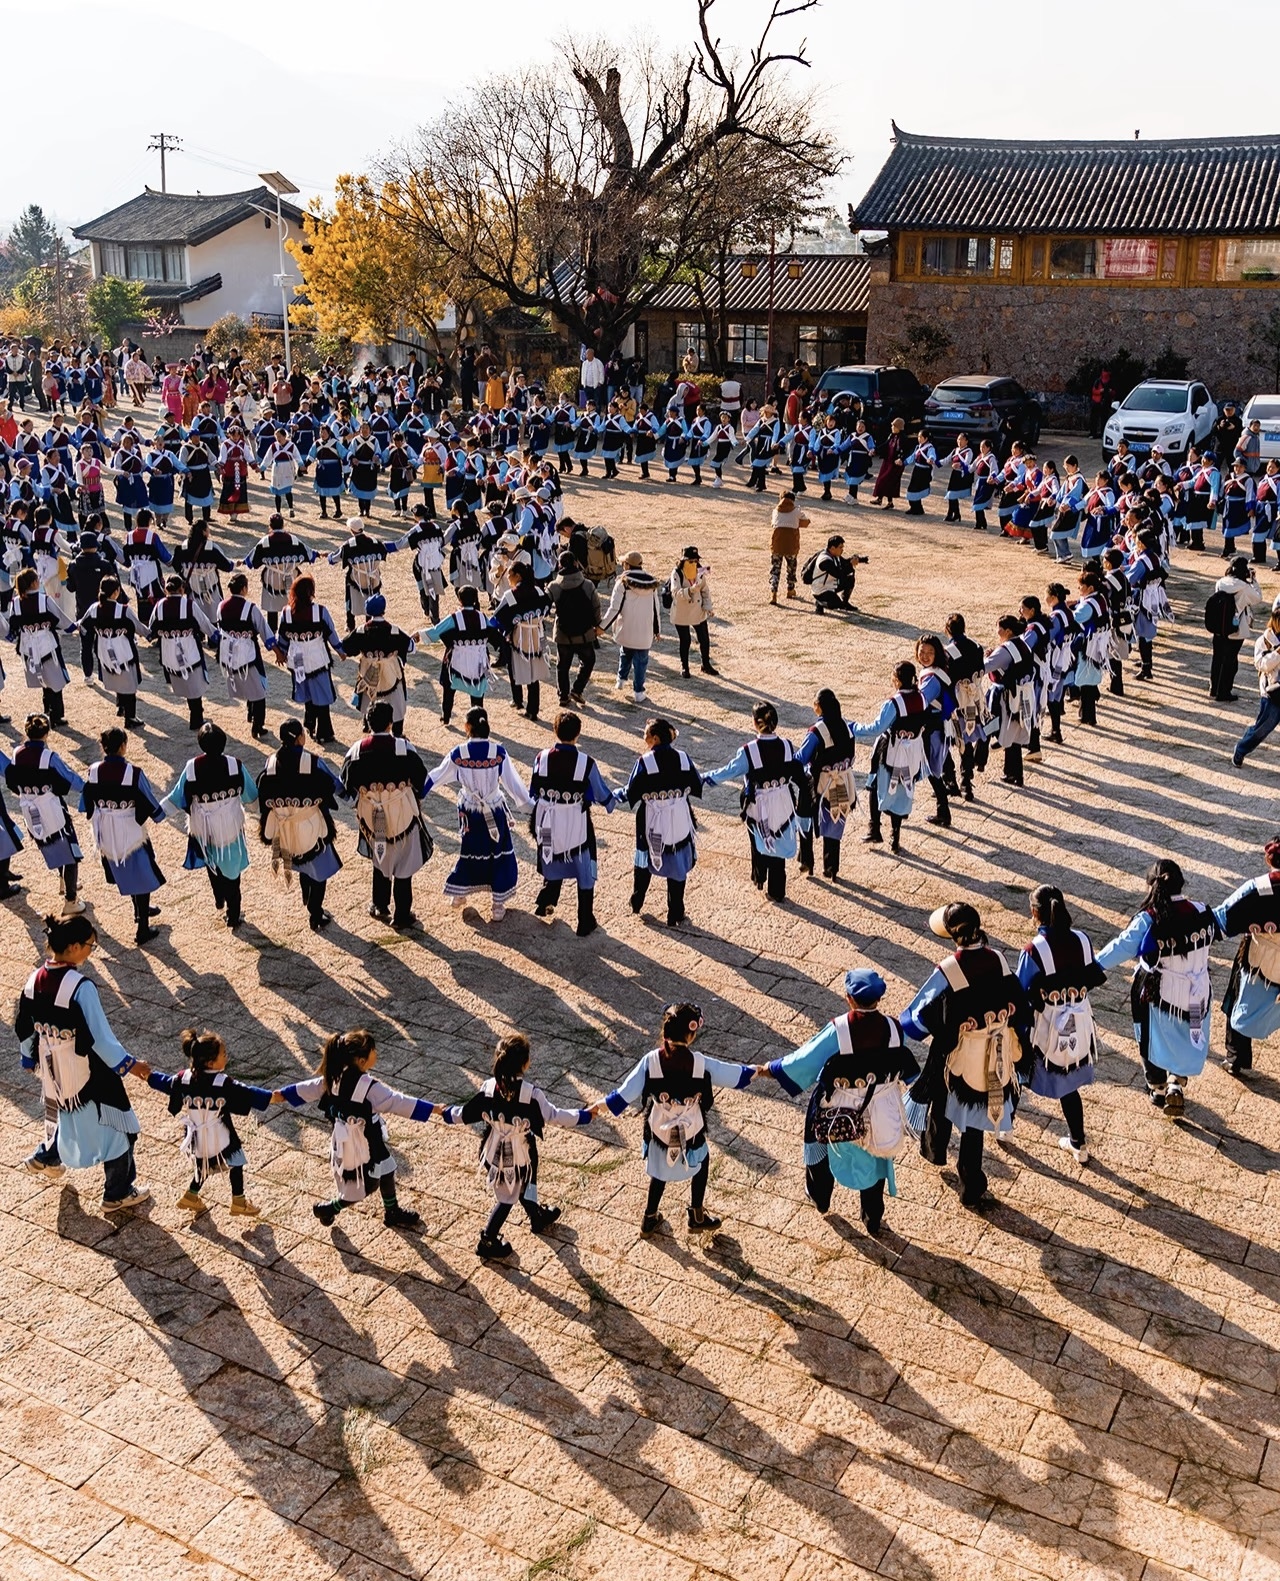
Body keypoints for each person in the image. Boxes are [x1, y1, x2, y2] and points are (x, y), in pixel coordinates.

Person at [762, 968, 918, 1234]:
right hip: (881, 1108)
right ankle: (872, 1217)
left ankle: (820, 1198)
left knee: (820, 1147)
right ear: (879, 999)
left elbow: (804, 1060)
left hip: (838, 1110)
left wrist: (772, 1068)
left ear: (849, 998)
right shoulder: (894, 1028)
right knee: (876, 1155)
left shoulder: (839, 1030)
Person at [902, 902, 1033, 1209]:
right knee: (974, 1124)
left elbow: (917, 1017)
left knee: (940, 1097)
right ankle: (971, 1187)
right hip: (995, 1053)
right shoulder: (998, 959)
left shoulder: (949, 969)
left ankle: (934, 1150)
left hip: (956, 1052)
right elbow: (1019, 1003)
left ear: (953, 935)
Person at [15, 911, 150, 1209]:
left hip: (52, 1067)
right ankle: (117, 1192)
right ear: (74, 947)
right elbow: (100, 1039)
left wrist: (28, 1059)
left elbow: (23, 1026)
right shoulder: (80, 986)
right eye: (90, 945)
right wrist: (130, 1065)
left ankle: (47, 1156)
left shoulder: (33, 980)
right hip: (88, 1068)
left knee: (64, 1112)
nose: (91, 951)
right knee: (121, 1126)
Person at [441, 1031, 594, 1259]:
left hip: (492, 1150)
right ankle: (488, 1239)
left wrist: (444, 1112)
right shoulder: (531, 1095)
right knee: (508, 1196)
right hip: (517, 1155)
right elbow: (555, 1115)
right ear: (525, 1063)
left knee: (522, 1183)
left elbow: (464, 1114)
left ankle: (535, 1215)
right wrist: (585, 1116)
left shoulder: (488, 1088)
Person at [1098, 858, 1219, 1114]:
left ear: (1151, 885)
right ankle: (1176, 1082)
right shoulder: (1203, 911)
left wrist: (1091, 967)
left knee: (1149, 1036)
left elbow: (1122, 946)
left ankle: (1158, 1087)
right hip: (1197, 995)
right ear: (1181, 883)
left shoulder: (1149, 919)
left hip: (1160, 994)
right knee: (1189, 1035)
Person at [280, 1028, 433, 1228]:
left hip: (356, 1139)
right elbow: (398, 1102)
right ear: (361, 1061)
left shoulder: (333, 1077)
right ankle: (329, 1208)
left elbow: (305, 1089)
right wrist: (434, 1109)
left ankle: (392, 1211)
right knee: (367, 1186)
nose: (376, 1054)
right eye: (373, 1051)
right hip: (361, 1144)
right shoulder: (369, 1087)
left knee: (387, 1168)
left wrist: (278, 1095)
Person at [131, 1028, 276, 1216]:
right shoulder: (223, 1083)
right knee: (236, 1161)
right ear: (210, 1062)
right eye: (223, 1054)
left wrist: (150, 1077)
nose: (226, 1057)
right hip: (221, 1135)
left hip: (196, 1136)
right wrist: (272, 1097)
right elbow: (247, 1093)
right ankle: (238, 1200)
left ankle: (191, 1195)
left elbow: (166, 1083)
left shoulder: (184, 1078)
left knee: (204, 1164)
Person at [1016, 885, 1106, 1165]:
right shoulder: (1082, 939)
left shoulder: (1034, 950)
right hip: (1078, 1019)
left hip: (1045, 1024)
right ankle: (1078, 1143)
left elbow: (1019, 992)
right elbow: (1093, 975)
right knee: (1068, 1084)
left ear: (1034, 913)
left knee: (1017, 1072)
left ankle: (1004, 1128)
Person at [422, 706, 533, 923]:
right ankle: (498, 905)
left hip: (470, 812)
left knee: (470, 850)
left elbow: (437, 775)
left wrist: (419, 792)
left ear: (467, 727)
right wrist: (531, 806)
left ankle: (460, 892)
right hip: (494, 808)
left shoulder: (459, 753)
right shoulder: (498, 753)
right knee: (498, 854)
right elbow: (514, 784)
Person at [341, 701, 433, 932]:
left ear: (368, 722)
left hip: (372, 816)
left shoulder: (356, 751)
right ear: (391, 723)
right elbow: (421, 779)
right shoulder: (404, 748)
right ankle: (402, 915)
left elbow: (346, 786)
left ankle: (380, 905)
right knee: (404, 862)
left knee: (380, 854)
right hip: (403, 815)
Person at [703, 701, 807, 903]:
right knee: (779, 842)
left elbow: (729, 771)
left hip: (759, 804)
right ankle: (777, 890)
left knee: (758, 838)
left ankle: (759, 876)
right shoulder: (786, 745)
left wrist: (703, 778)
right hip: (783, 801)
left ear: (755, 722)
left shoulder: (749, 751)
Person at [529, 710, 618, 937]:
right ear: (578, 734)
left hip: (548, 818)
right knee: (583, 864)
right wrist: (611, 801)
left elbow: (534, 790)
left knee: (551, 855)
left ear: (555, 731)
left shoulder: (541, 758)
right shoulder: (586, 763)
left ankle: (546, 900)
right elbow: (600, 793)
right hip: (575, 821)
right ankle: (584, 919)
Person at [164, 722, 258, 931]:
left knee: (211, 861)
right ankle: (233, 913)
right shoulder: (234, 765)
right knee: (232, 870)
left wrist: (156, 813)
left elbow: (177, 797)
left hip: (204, 828)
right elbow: (251, 796)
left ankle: (219, 896)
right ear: (223, 743)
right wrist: (267, 813)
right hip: (230, 826)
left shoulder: (192, 768)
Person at [257, 719, 347, 931]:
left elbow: (262, 792)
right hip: (312, 824)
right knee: (319, 869)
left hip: (285, 826)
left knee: (300, 860)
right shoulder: (312, 761)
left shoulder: (271, 763)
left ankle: (307, 897)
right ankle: (316, 912)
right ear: (300, 738)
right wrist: (347, 794)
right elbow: (334, 784)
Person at [82, 727, 167, 945]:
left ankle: (139, 910)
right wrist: (159, 814)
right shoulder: (133, 773)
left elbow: (85, 803)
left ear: (103, 747)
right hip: (131, 830)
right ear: (122, 746)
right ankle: (142, 928)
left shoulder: (93, 771)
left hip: (105, 831)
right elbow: (150, 801)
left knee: (126, 871)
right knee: (142, 873)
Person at [623, 717, 703, 928]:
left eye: (646, 734)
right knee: (677, 865)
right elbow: (696, 783)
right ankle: (675, 912)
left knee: (644, 859)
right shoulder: (683, 758)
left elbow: (632, 791)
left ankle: (637, 900)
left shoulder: (645, 762)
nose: (643, 737)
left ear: (656, 739)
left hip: (651, 817)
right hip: (678, 817)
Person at [5, 713, 85, 915]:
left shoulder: (17, 753)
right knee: (71, 852)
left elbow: (11, 780)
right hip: (52, 808)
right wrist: (89, 788)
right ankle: (71, 900)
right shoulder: (49, 757)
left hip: (29, 808)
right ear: (47, 733)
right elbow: (70, 779)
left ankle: (64, 880)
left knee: (49, 843)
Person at [1215, 836, 1280, 1077]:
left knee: (1236, 998)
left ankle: (1236, 1058)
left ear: (1268, 859)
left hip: (1258, 958)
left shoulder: (1258, 887)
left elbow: (1224, 917)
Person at [853, 661, 929, 853]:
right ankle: (895, 837)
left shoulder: (894, 703)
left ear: (897, 680)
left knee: (875, 785)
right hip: (912, 752)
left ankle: (874, 828)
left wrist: (853, 728)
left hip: (891, 751)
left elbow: (876, 728)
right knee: (902, 790)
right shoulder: (922, 698)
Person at [275, 573, 346, 744]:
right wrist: (340, 651)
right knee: (322, 694)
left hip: (297, 659)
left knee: (306, 691)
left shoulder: (286, 613)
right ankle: (324, 732)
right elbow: (331, 633)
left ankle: (309, 723)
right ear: (310, 592)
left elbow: (282, 636)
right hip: (317, 659)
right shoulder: (319, 611)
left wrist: (281, 653)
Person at [796, 689, 858, 880]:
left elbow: (801, 758)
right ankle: (831, 867)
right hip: (842, 782)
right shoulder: (846, 726)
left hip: (817, 783)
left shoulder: (817, 731)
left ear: (819, 706)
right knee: (835, 821)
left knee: (804, 818)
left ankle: (806, 860)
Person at [420, 585, 501, 726]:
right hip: (478, 661)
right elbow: (494, 635)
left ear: (460, 600)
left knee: (449, 689)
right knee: (477, 692)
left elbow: (436, 631)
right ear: (475, 599)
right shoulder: (482, 617)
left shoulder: (454, 618)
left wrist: (419, 635)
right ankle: (478, 721)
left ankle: (446, 716)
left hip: (456, 661)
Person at [148, 574, 216, 730]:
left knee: (187, 683)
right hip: (189, 650)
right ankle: (196, 718)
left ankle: (196, 715)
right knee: (194, 683)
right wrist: (217, 637)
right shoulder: (189, 605)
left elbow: (151, 629)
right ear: (182, 589)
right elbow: (205, 624)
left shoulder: (159, 605)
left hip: (168, 652)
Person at [343, 594, 418, 735]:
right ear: (384, 610)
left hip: (368, 674)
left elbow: (345, 648)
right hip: (391, 675)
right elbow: (411, 648)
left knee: (368, 699)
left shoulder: (361, 631)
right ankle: (397, 732)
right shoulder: (394, 631)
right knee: (396, 703)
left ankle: (368, 724)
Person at [9, 566, 73, 726]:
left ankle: (47, 711)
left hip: (28, 647)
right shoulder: (44, 600)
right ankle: (55, 715)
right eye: (37, 579)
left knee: (44, 678)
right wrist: (73, 627)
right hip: (47, 646)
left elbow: (12, 627)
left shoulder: (15, 603)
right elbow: (60, 619)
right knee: (55, 680)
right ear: (33, 583)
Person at [81, 574, 148, 726]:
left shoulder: (94, 608)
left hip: (103, 650)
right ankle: (130, 717)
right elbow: (139, 628)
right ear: (116, 592)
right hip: (124, 651)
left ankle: (121, 706)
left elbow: (83, 626)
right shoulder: (124, 610)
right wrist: (151, 634)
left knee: (116, 675)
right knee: (128, 681)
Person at [490, 562, 552, 720]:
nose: (508, 578)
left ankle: (518, 700)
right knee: (533, 672)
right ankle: (533, 709)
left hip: (518, 636)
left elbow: (497, 618)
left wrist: (507, 629)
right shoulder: (539, 591)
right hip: (536, 635)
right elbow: (547, 606)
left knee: (514, 668)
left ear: (518, 576)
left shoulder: (511, 595)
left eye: (509, 575)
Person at [602, 550, 661, 704]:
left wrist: (602, 627)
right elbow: (655, 609)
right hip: (644, 630)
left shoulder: (622, 582)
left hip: (626, 628)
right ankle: (639, 692)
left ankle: (621, 679)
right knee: (641, 662)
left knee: (625, 653)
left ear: (627, 565)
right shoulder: (651, 583)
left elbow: (614, 609)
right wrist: (657, 630)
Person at [546, 550, 602, 707]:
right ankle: (577, 689)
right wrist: (598, 625)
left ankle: (563, 696)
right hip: (584, 633)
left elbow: (544, 606)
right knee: (589, 661)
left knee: (562, 666)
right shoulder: (588, 584)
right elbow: (596, 606)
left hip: (563, 633)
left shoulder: (554, 586)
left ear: (559, 565)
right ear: (576, 563)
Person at [245, 514, 314, 633]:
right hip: (292, 579)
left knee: (272, 609)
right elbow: (310, 555)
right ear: (283, 524)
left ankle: (272, 632)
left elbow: (251, 562)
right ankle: (293, 630)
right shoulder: (293, 540)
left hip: (272, 582)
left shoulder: (265, 542)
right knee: (293, 606)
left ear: (270, 526)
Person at [1207, 556, 1262, 702]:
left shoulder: (1221, 582)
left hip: (1219, 626)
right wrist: (1253, 581)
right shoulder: (1244, 588)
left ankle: (1214, 688)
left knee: (1218, 657)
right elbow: (1257, 598)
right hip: (1236, 627)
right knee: (1231, 660)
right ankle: (1224, 691)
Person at [1233, 603, 1280, 768]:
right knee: (1262, 729)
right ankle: (1241, 749)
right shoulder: (1264, 641)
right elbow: (1261, 665)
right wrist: (1277, 654)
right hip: (1273, 692)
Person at [668, 545, 718, 677]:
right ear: (684, 561)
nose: (694, 563)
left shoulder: (700, 572)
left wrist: (708, 607)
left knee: (704, 639)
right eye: (691, 561)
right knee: (685, 640)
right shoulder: (676, 573)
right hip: (682, 612)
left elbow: (705, 590)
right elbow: (675, 593)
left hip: (698, 611)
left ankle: (705, 664)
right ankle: (684, 666)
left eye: (696, 560)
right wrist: (690, 590)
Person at [768, 489, 807, 605]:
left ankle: (773, 592)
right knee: (791, 568)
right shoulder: (797, 511)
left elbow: (773, 524)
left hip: (777, 544)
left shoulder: (775, 511)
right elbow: (806, 522)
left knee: (775, 569)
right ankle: (790, 589)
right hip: (791, 545)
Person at [809, 535, 864, 615]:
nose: (842, 550)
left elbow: (844, 563)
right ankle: (819, 602)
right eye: (840, 547)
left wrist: (856, 559)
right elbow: (838, 574)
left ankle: (845, 602)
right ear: (832, 548)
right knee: (836, 605)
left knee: (850, 578)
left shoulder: (834, 554)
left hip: (830, 586)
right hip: (821, 590)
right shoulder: (825, 560)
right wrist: (850, 565)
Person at [871, 417, 907, 508]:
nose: (892, 428)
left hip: (895, 464)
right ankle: (883, 500)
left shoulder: (903, 438)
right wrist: (876, 450)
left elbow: (905, 451)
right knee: (882, 479)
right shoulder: (892, 436)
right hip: (887, 461)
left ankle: (886, 501)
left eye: (893, 426)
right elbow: (885, 445)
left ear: (898, 427)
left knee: (888, 481)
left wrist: (901, 459)